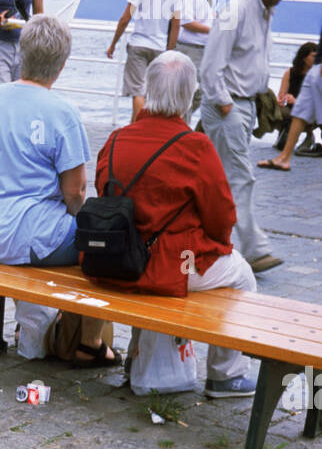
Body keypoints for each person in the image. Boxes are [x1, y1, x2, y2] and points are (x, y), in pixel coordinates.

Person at [0, 15, 118, 366]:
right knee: (107, 241)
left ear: (21, 53)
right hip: (24, 236)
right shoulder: (63, 113)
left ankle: (32, 326)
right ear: (61, 66)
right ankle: (89, 340)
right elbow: (75, 193)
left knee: (44, 226)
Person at [96, 52, 257, 399]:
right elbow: (222, 216)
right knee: (241, 273)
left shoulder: (116, 138)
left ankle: (142, 357)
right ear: (190, 95)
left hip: (112, 260)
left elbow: (103, 194)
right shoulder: (194, 146)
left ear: (148, 88)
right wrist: (212, 245)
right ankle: (226, 374)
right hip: (165, 264)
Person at [200, 0, 296, 273]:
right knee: (241, 177)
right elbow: (210, 68)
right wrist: (226, 106)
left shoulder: (265, 13)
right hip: (227, 107)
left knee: (219, 179)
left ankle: (209, 243)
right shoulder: (235, 11)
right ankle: (255, 249)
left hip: (244, 107)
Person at [107, 0, 182, 122]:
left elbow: (126, 18)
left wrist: (113, 44)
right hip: (160, 47)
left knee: (138, 92)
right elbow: (176, 23)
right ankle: (144, 130)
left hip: (139, 44)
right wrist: (169, 51)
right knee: (153, 95)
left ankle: (136, 130)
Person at [176, 0, 231, 119]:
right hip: (192, 48)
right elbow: (185, 21)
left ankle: (183, 122)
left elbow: (204, 15)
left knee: (199, 91)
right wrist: (213, 30)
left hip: (203, 48)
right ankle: (181, 124)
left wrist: (217, 19)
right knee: (192, 92)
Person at [259, 32, 322, 170]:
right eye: (313, 56)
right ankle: (285, 153)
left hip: (313, 107)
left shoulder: (315, 73)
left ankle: (289, 152)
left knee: (305, 109)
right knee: (293, 110)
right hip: (294, 110)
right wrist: (285, 99)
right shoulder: (291, 72)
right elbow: (281, 96)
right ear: (303, 57)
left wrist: (296, 101)